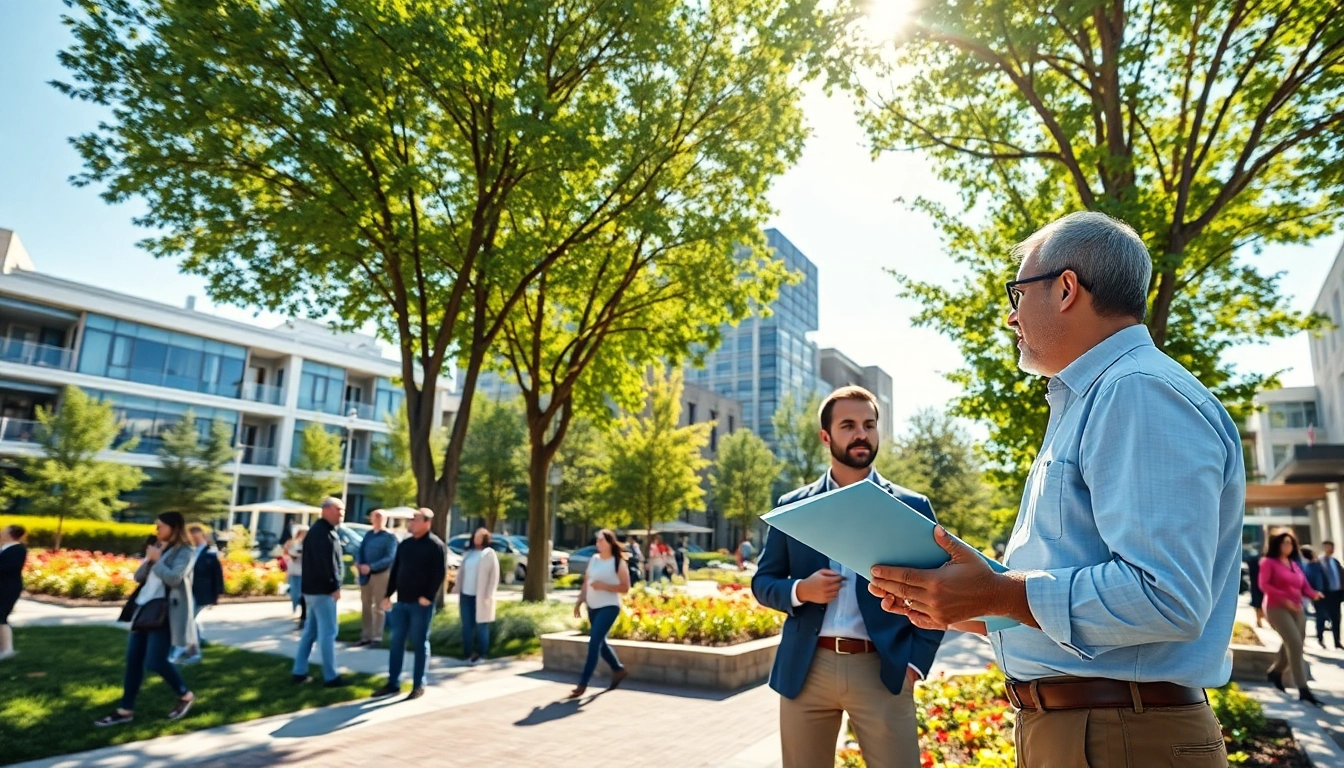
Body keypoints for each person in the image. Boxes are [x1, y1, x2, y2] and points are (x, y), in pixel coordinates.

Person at [867, 212, 1246, 764]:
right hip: (1098, 728)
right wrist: (963, 604)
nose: (1010, 315)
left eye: (1017, 292)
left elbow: (1166, 597)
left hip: (1118, 734)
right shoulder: (1099, 398)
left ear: (1066, 289)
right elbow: (1079, 595)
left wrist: (1001, 592)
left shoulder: (1135, 392)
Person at [753, 386, 943, 768]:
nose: (862, 433)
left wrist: (915, 664)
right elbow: (763, 582)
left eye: (869, 424)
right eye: (849, 425)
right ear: (826, 436)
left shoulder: (911, 506)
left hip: (883, 668)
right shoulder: (794, 507)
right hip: (806, 669)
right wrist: (800, 591)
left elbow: (939, 590)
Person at [96, 512, 199, 726]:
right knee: (133, 660)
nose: (156, 530)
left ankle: (185, 694)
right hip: (144, 610)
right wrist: (150, 559)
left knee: (155, 661)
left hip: (165, 613)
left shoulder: (185, 551)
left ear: (174, 527)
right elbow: (138, 577)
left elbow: (174, 578)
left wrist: (157, 560)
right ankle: (125, 710)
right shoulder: (158, 547)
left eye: (160, 526)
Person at [373, 508, 446, 700]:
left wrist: (428, 596)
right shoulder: (405, 545)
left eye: (415, 519)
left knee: (420, 643)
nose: (411, 523)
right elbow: (396, 570)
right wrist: (388, 594)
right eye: (411, 519)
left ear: (426, 523)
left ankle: (418, 684)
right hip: (402, 603)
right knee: (397, 642)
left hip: (420, 604)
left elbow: (438, 574)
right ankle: (393, 683)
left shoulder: (435, 545)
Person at [1260, 531, 1326, 705]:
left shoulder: (1294, 564)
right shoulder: (1268, 562)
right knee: (1295, 643)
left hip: (1297, 609)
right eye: (1284, 542)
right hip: (1276, 608)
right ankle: (1303, 688)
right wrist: (1284, 599)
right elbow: (1264, 585)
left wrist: (1314, 594)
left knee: (1293, 642)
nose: (1287, 546)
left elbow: (1304, 586)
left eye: (1290, 542)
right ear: (1276, 544)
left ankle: (1275, 672)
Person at [568, 529, 630, 699]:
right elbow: (586, 582)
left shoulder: (618, 563)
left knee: (594, 643)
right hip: (592, 606)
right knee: (600, 642)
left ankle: (582, 683)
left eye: (602, 540)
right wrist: (579, 601)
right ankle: (618, 669)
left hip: (609, 607)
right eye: (597, 541)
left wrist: (605, 586)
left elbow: (625, 588)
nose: (598, 544)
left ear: (610, 542)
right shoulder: (594, 560)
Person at [292, 497, 347, 687]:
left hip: (312, 590)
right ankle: (331, 676)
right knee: (329, 632)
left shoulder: (321, 531)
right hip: (323, 591)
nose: (342, 514)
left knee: (311, 631)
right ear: (327, 510)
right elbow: (327, 564)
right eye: (339, 510)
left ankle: (299, 671)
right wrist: (334, 586)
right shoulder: (322, 533)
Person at [452, 527, 499, 665]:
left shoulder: (489, 554)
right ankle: (467, 653)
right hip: (466, 595)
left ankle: (482, 653)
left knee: (481, 625)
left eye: (480, 536)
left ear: (485, 539)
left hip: (481, 596)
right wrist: (457, 586)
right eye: (475, 536)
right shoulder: (469, 554)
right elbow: (461, 573)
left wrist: (489, 593)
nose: (476, 539)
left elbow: (494, 576)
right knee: (467, 625)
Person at [179, 523, 225, 664]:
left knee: (188, 620)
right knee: (190, 619)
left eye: (196, 534)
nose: (193, 537)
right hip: (188, 590)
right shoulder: (189, 550)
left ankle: (193, 652)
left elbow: (217, 574)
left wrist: (218, 592)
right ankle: (199, 641)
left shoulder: (210, 552)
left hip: (201, 590)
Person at [353, 510, 398, 648]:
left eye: (380, 517)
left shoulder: (390, 537)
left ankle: (376, 637)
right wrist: (359, 563)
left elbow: (390, 557)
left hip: (381, 574)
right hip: (365, 575)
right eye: (375, 517)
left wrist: (372, 566)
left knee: (379, 607)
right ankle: (365, 636)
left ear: (385, 519)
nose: (377, 519)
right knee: (365, 605)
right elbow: (360, 550)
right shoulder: (368, 534)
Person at [0, 524, 28, 662]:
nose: (1, 532)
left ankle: (7, 650)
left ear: (10, 534)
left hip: (7, 588)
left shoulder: (18, 549)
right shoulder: (4, 548)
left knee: (1, 617)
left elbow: (9, 569)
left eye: (4, 531)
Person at [1318, 541, 1344, 649]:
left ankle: (1337, 641)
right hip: (1324, 594)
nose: (1330, 549)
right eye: (1328, 547)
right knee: (1322, 617)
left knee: (1336, 618)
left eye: (1332, 547)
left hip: (1336, 594)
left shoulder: (1335, 561)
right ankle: (1320, 638)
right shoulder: (1318, 562)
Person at [1303, 546, 1329, 646]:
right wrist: (1313, 593)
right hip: (1317, 594)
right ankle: (1320, 637)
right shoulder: (1309, 567)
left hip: (1326, 592)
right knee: (1320, 615)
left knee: (1324, 615)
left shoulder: (1318, 564)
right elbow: (1310, 581)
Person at [283, 525, 307, 630]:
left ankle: (302, 613)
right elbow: (289, 553)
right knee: (294, 592)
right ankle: (295, 608)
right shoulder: (293, 543)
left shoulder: (308, 544)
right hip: (294, 571)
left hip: (303, 572)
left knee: (301, 594)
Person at [1247, 546, 1266, 628]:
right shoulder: (1260, 562)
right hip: (1259, 585)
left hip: (1256, 585)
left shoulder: (1253, 561)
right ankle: (1259, 619)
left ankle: (1259, 619)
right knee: (1259, 603)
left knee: (1258, 604)